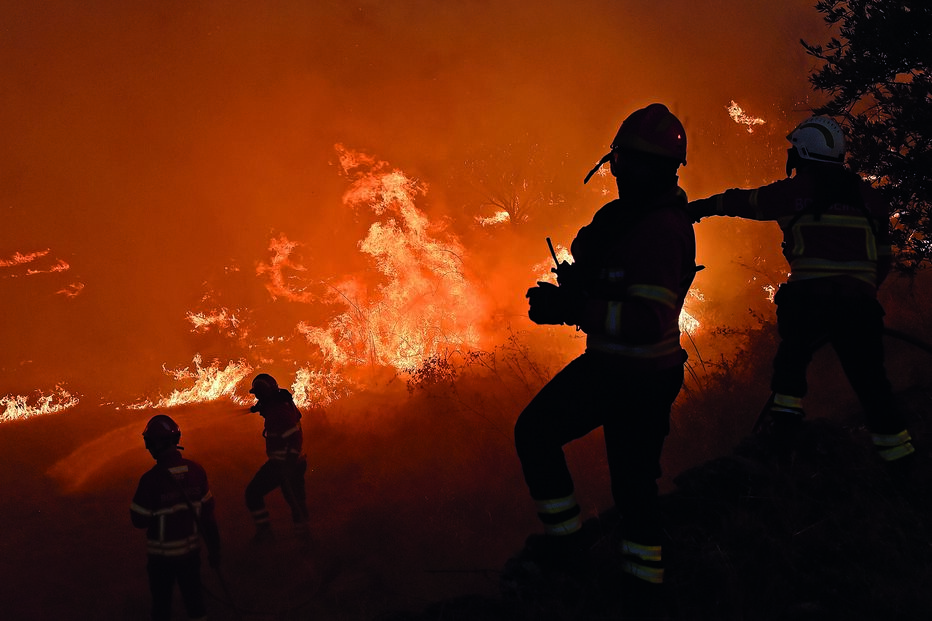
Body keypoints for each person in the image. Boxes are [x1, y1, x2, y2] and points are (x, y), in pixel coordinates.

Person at [517, 104, 697, 595]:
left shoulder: (663, 231)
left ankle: (642, 588)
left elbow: (646, 321)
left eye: (630, 163)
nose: (620, 173)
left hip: (642, 376)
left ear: (659, 169)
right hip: (611, 367)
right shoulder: (623, 218)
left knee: (632, 484)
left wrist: (573, 308)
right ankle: (571, 549)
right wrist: (576, 287)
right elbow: (606, 273)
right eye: (619, 161)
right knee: (536, 433)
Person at [688, 115, 914, 467]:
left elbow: (745, 202)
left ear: (804, 152)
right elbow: (883, 257)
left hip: (810, 302)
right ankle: (900, 460)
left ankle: (783, 433)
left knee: (791, 363)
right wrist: (864, 291)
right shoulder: (870, 200)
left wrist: (701, 207)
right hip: (859, 305)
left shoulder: (794, 193)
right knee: (872, 383)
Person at [131, 414, 221, 621]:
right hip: (191, 556)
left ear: (156, 444)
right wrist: (215, 550)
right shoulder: (196, 471)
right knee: (195, 603)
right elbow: (208, 515)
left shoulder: (151, 479)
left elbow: (138, 520)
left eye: (149, 443)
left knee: (162, 606)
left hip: (161, 560)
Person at [245, 373, 310, 545]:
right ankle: (303, 538)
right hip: (286, 463)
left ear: (265, 393)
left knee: (256, 494)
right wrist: (260, 408)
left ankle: (304, 541)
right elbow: (272, 408)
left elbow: (295, 438)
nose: (257, 398)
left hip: (287, 464)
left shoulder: (279, 411)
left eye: (258, 394)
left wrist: (289, 464)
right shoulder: (279, 402)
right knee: (295, 502)